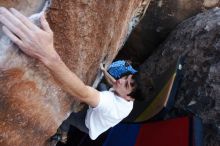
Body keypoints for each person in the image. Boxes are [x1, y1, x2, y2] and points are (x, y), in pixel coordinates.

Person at [0, 7, 154, 143]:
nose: (120, 80)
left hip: (88, 124)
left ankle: (61, 134)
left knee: (66, 111)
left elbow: (83, 93)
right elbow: (115, 82)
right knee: (101, 86)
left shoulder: (111, 106)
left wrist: (48, 56)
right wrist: (104, 72)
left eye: (126, 84)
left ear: (129, 97)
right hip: (104, 104)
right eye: (125, 77)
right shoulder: (126, 94)